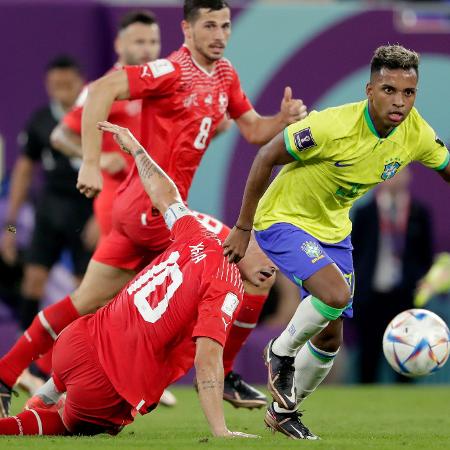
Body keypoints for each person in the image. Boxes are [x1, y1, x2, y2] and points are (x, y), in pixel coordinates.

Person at [0, 0, 306, 416]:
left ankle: (9, 373)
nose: (219, 35)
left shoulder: (225, 75)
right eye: (209, 26)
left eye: (225, 25)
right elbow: (105, 89)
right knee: (254, 263)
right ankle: (225, 372)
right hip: (153, 210)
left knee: (83, 301)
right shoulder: (171, 70)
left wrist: (281, 119)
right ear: (186, 29)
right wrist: (90, 160)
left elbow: (253, 129)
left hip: (138, 213)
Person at [223, 44, 450, 439]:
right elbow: (265, 157)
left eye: (408, 93)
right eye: (389, 90)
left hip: (334, 231)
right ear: (369, 89)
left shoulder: (416, 134)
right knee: (334, 295)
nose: (399, 102)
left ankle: (283, 411)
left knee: (330, 336)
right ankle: (280, 352)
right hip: (284, 219)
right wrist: (243, 228)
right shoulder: (332, 126)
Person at [0, 121, 257, 438]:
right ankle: (22, 409)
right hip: (107, 382)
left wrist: (137, 150)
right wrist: (221, 430)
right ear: (248, 238)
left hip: (76, 340)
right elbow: (207, 359)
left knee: (83, 315)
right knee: (76, 423)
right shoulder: (227, 282)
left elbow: (164, 194)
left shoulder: (195, 233)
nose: (272, 270)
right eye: (270, 256)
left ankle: (44, 395)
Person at [51, 10, 161, 244]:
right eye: (139, 42)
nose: (147, 49)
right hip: (118, 200)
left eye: (153, 42)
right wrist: (97, 159)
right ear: (119, 44)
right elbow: (60, 135)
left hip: (155, 195)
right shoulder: (103, 89)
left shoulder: (158, 84)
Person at [0, 55, 89, 332]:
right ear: (47, 85)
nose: (62, 89)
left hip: (87, 210)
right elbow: (23, 174)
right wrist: (11, 230)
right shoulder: (40, 120)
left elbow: (116, 170)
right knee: (33, 279)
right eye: (56, 84)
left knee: (86, 287)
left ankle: (81, 356)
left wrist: (104, 217)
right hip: (50, 210)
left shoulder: (96, 115)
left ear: (80, 83)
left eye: (67, 83)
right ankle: (24, 360)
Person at [352, 167, 433, 382]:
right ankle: (366, 404)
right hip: (371, 296)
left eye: (400, 172)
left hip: (405, 297)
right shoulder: (364, 213)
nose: (395, 178)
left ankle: (406, 404)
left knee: (407, 355)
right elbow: (354, 255)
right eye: (391, 173)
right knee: (368, 355)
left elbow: (426, 256)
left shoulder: (418, 213)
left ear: (409, 176)